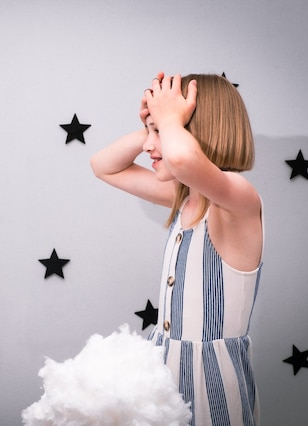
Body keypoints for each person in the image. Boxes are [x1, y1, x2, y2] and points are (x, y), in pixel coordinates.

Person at [90, 72, 263, 425]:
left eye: (160, 134)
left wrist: (168, 121)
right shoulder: (185, 197)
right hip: (164, 364)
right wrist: (155, 123)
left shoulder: (237, 199)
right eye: (150, 133)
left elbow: (183, 159)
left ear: (195, 133)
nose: (149, 146)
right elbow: (103, 166)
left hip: (212, 378)